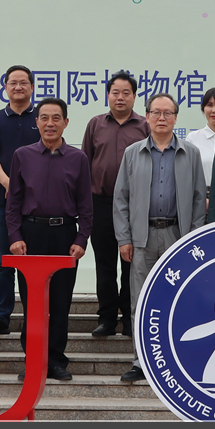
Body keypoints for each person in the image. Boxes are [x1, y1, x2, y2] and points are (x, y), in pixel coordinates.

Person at [113, 93, 206, 382]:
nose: (161, 118)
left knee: (180, 298)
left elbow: (198, 199)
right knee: (141, 301)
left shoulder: (190, 153)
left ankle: (179, 358)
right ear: (147, 117)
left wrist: (192, 239)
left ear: (176, 118)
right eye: (156, 112)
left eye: (167, 113)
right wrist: (124, 238)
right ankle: (141, 361)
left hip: (178, 237)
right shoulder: (133, 153)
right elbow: (121, 199)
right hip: (142, 238)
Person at [6, 97, 93, 382]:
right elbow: (13, 202)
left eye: (56, 118)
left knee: (60, 302)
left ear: (66, 123)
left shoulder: (78, 159)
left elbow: (86, 205)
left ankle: (55, 361)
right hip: (31, 235)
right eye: (44, 118)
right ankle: (33, 360)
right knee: (32, 301)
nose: (50, 123)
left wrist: (81, 239)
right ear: (37, 122)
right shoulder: (22, 155)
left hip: (64, 235)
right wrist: (15, 236)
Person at [82, 71, 150, 338]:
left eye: (126, 93)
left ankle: (130, 318)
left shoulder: (144, 126)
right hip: (100, 203)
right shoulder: (95, 124)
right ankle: (106, 318)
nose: (120, 97)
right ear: (108, 95)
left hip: (135, 205)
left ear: (134, 96)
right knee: (105, 263)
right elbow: (86, 163)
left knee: (132, 264)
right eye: (115, 92)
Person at [0, 65, 39, 337]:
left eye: (23, 82)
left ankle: (33, 315)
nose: (18, 87)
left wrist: (29, 188)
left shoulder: (40, 116)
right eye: (13, 82)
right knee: (5, 259)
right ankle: (1, 316)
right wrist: (8, 184)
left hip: (36, 203)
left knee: (32, 262)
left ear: (32, 87)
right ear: (5, 87)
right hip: (2, 200)